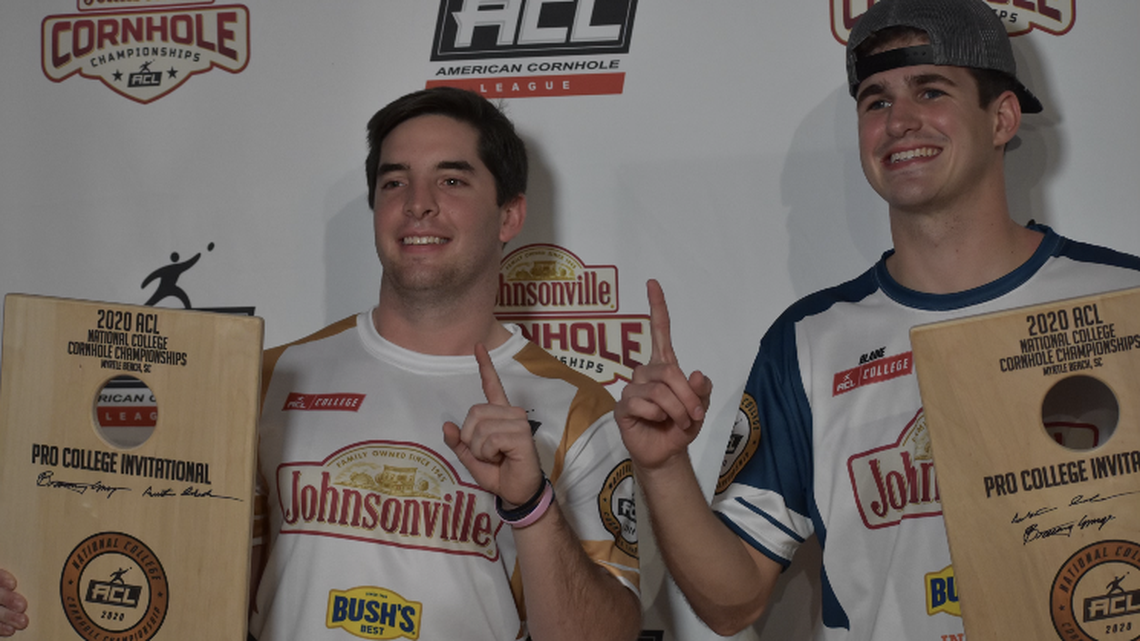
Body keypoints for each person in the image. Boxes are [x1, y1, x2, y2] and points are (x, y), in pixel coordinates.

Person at [0, 87, 641, 641]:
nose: (418, 203)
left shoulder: (576, 409)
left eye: (451, 179)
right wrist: (35, 577)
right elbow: (162, 565)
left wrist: (529, 506)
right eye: (394, 181)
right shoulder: (267, 379)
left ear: (509, 215)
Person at [616, 0, 1140, 639]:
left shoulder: (1126, 300)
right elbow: (733, 604)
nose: (900, 122)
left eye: (931, 89)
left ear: (1002, 117)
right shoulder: (809, 341)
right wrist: (664, 467)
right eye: (876, 101)